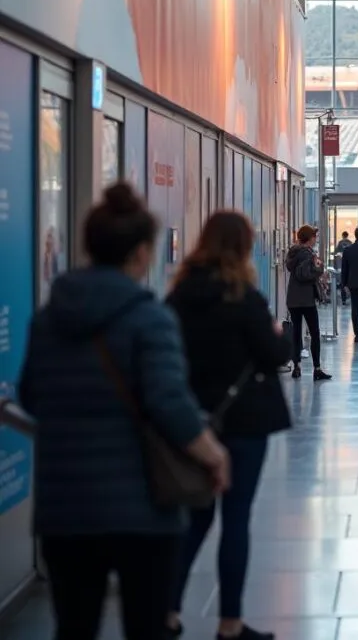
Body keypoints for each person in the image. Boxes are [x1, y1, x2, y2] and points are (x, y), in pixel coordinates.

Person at [19, 183, 228, 640]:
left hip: (64, 506)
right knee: (146, 625)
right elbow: (169, 402)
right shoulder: (148, 318)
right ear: (139, 252)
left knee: (73, 625)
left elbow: (32, 397)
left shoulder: (48, 318)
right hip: (142, 507)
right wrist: (213, 455)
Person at [166, 212, 292, 640]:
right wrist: (280, 334)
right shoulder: (244, 297)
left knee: (196, 516)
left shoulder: (179, 295)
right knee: (235, 519)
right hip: (243, 422)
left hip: (194, 423)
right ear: (242, 247)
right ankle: (230, 624)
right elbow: (275, 354)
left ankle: (167, 613)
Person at [284, 225, 331, 380]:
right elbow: (305, 275)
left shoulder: (293, 253)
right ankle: (317, 368)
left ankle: (296, 366)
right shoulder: (306, 254)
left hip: (293, 298)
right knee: (315, 333)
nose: (315, 239)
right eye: (314, 236)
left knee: (297, 332)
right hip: (305, 299)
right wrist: (319, 268)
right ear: (310, 238)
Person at [333, 231, 353, 304]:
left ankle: (343, 299)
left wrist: (335, 266)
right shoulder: (350, 243)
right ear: (347, 235)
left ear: (342, 235)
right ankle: (350, 296)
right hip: (349, 267)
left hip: (341, 266)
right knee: (350, 282)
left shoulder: (340, 243)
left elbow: (336, 254)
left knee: (342, 283)